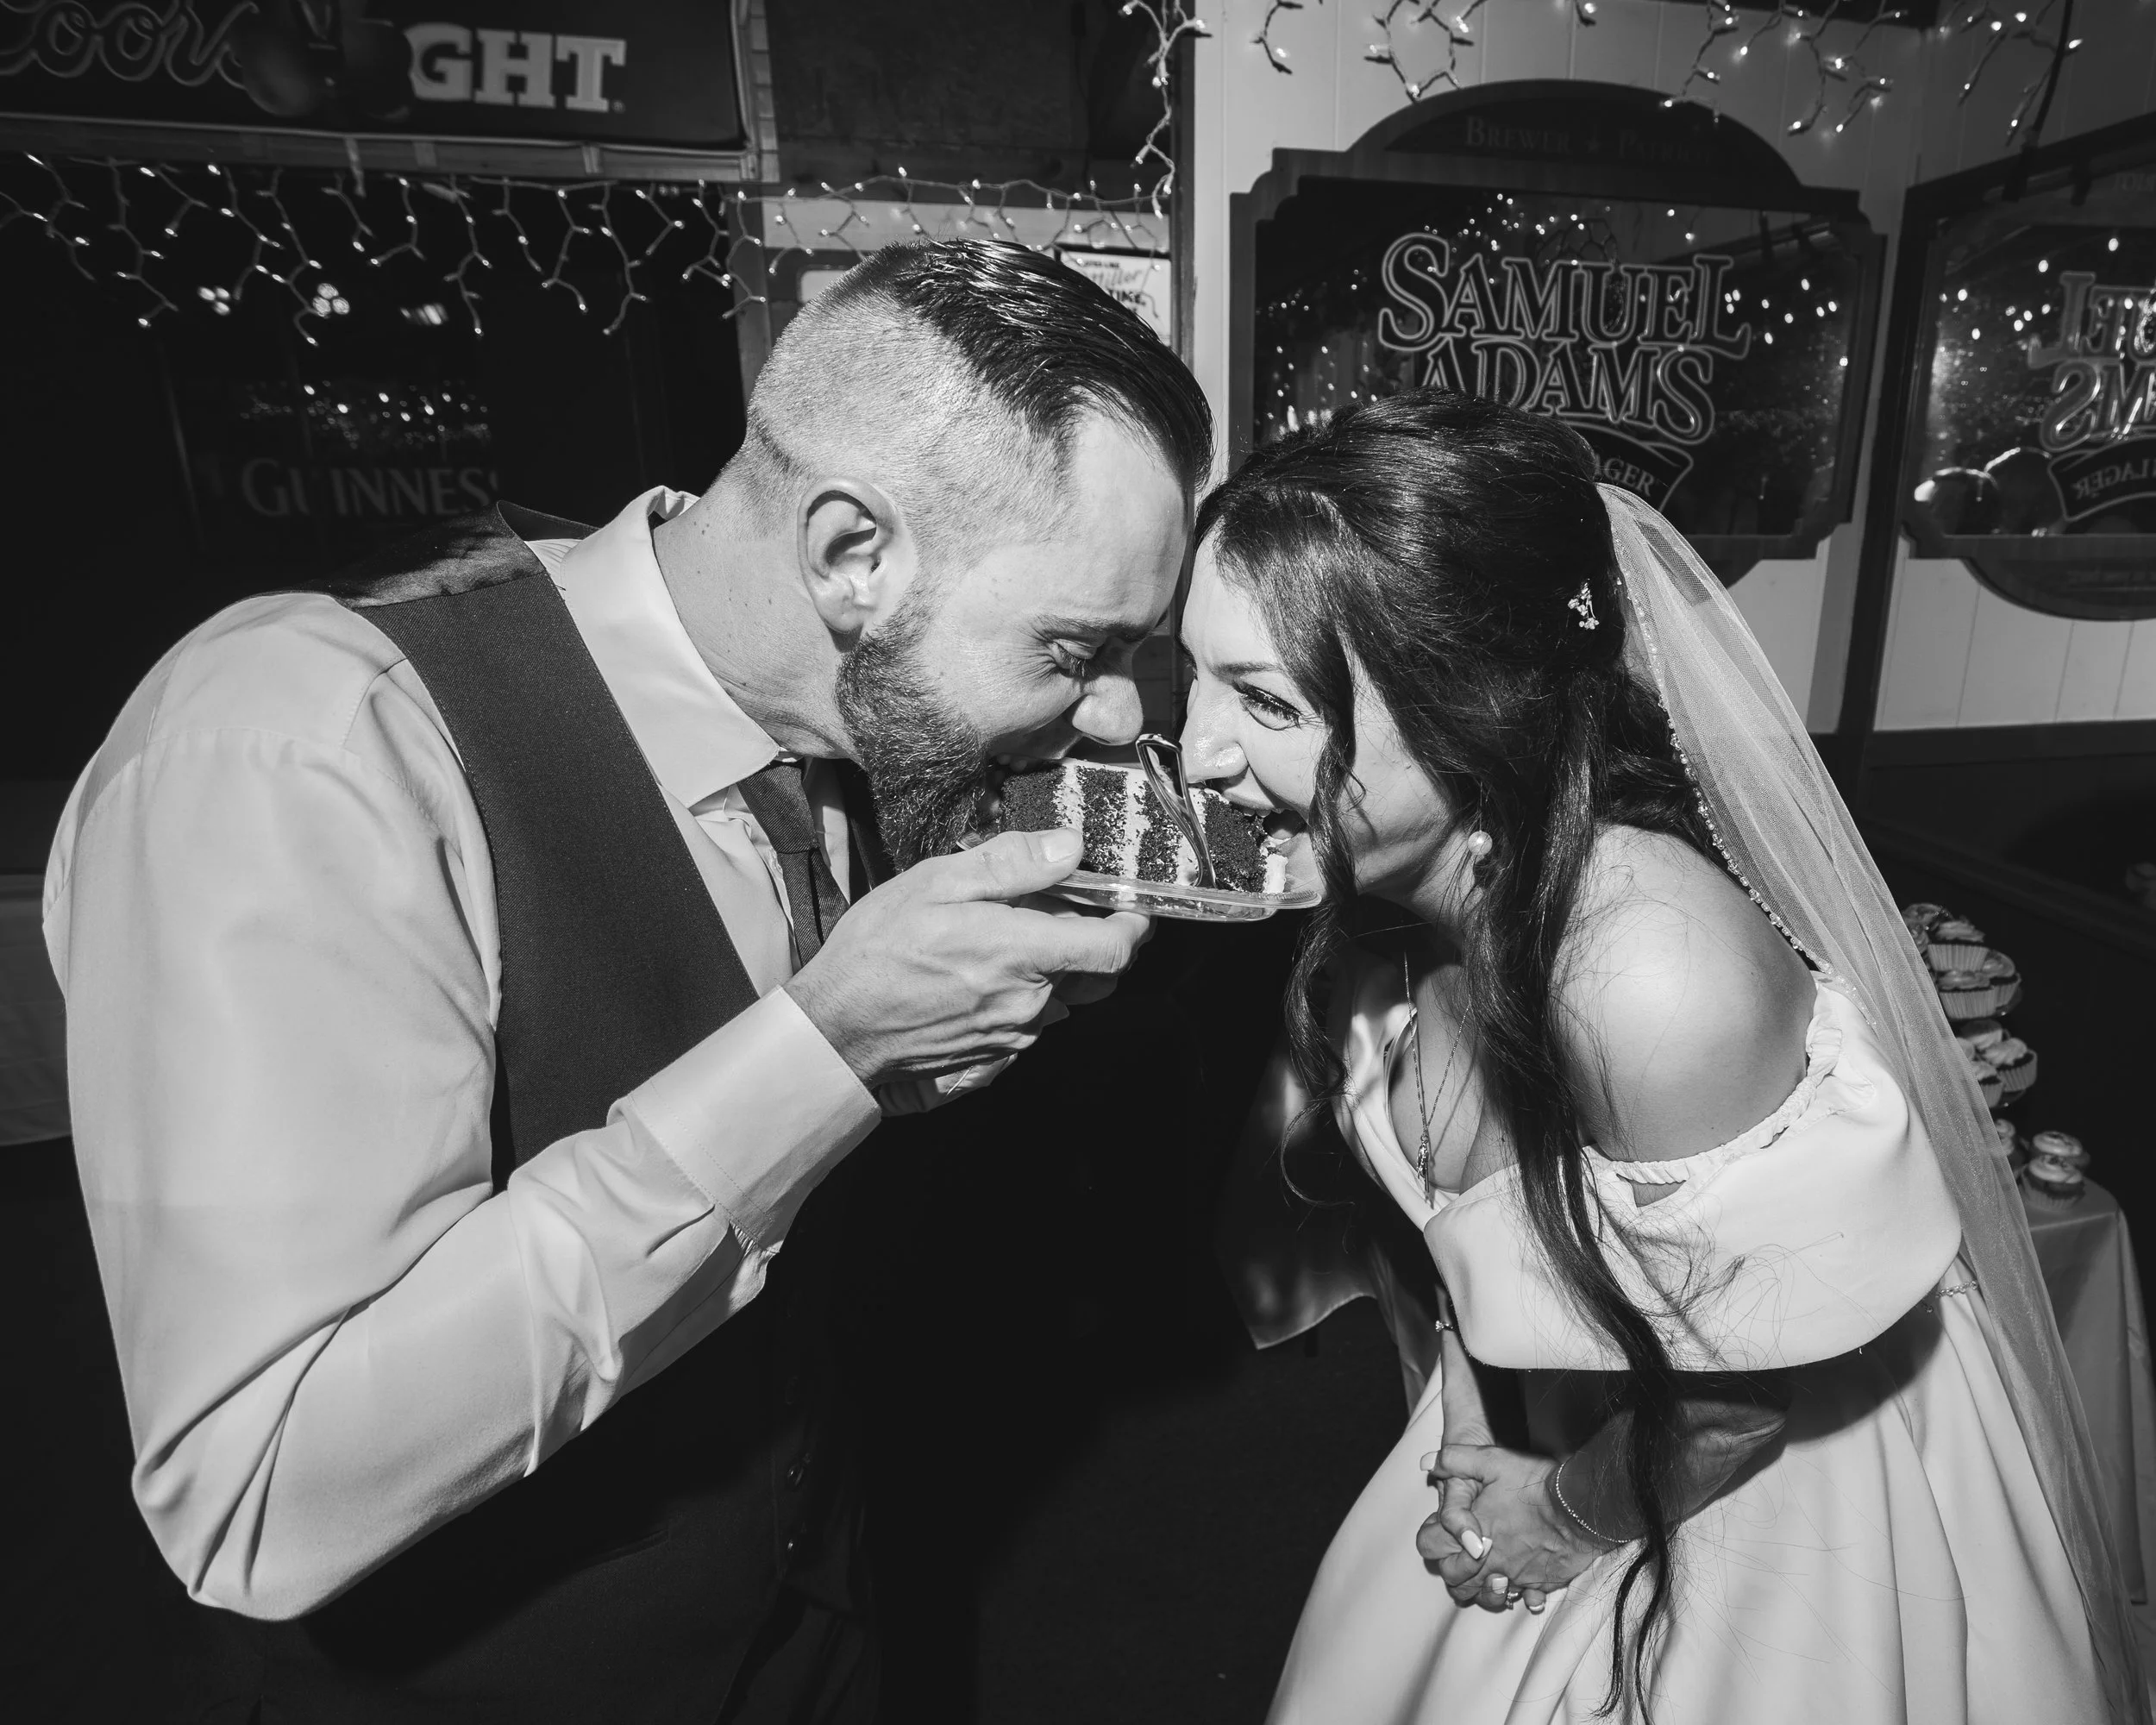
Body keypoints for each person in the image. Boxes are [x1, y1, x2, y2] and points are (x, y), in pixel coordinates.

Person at [41, 238, 1210, 1724]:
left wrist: (904, 1079)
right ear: (855, 556)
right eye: (1071, 647)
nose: (1112, 711)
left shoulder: (839, 731)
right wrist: (818, 1054)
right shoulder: (304, 744)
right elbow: (259, 1488)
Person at [1185, 391, 2144, 1723]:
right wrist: (1472, 1426)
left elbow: (1737, 1409)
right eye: (1197, 679)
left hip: (1767, 1500)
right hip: (1564, 1413)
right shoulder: (1387, 899)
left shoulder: (1651, 978)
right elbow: (1469, 1239)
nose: (1195, 755)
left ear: (1472, 700)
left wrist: (1560, 1517)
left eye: (1263, 702)